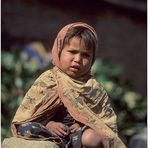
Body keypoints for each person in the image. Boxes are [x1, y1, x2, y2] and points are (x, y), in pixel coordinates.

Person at [11, 22, 126, 148]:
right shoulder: (49, 79)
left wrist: (83, 125)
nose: (77, 59)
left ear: (93, 59)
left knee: (93, 139)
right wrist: (49, 124)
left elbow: (105, 124)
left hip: (76, 136)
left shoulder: (93, 89)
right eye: (72, 51)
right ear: (59, 50)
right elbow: (27, 115)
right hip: (48, 131)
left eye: (85, 55)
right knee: (25, 128)